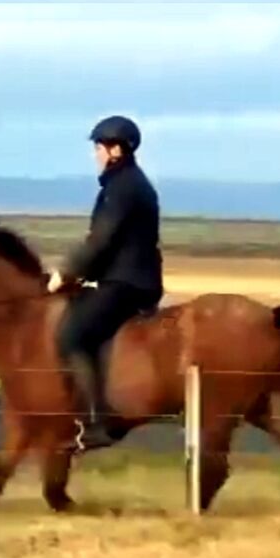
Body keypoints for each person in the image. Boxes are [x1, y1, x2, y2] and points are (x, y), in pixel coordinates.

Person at [48, 115, 163, 450]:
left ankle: (99, 423)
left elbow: (101, 240)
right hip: (123, 278)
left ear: (116, 150)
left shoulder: (123, 188)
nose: (95, 154)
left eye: (99, 147)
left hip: (128, 283)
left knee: (73, 334)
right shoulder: (125, 183)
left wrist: (67, 273)